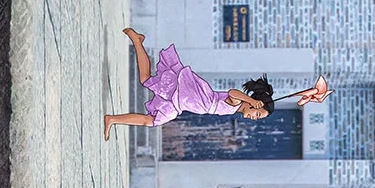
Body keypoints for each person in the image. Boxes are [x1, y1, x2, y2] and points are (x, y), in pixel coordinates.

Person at [104, 40, 327, 144]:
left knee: (151, 120)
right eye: (257, 113)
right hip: (186, 92)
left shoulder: (236, 110)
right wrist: (250, 100)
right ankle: (137, 41)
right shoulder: (237, 102)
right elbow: (233, 92)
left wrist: (251, 102)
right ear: (253, 104)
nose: (254, 117)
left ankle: (112, 119)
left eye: (258, 117)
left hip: (182, 103)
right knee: (146, 81)